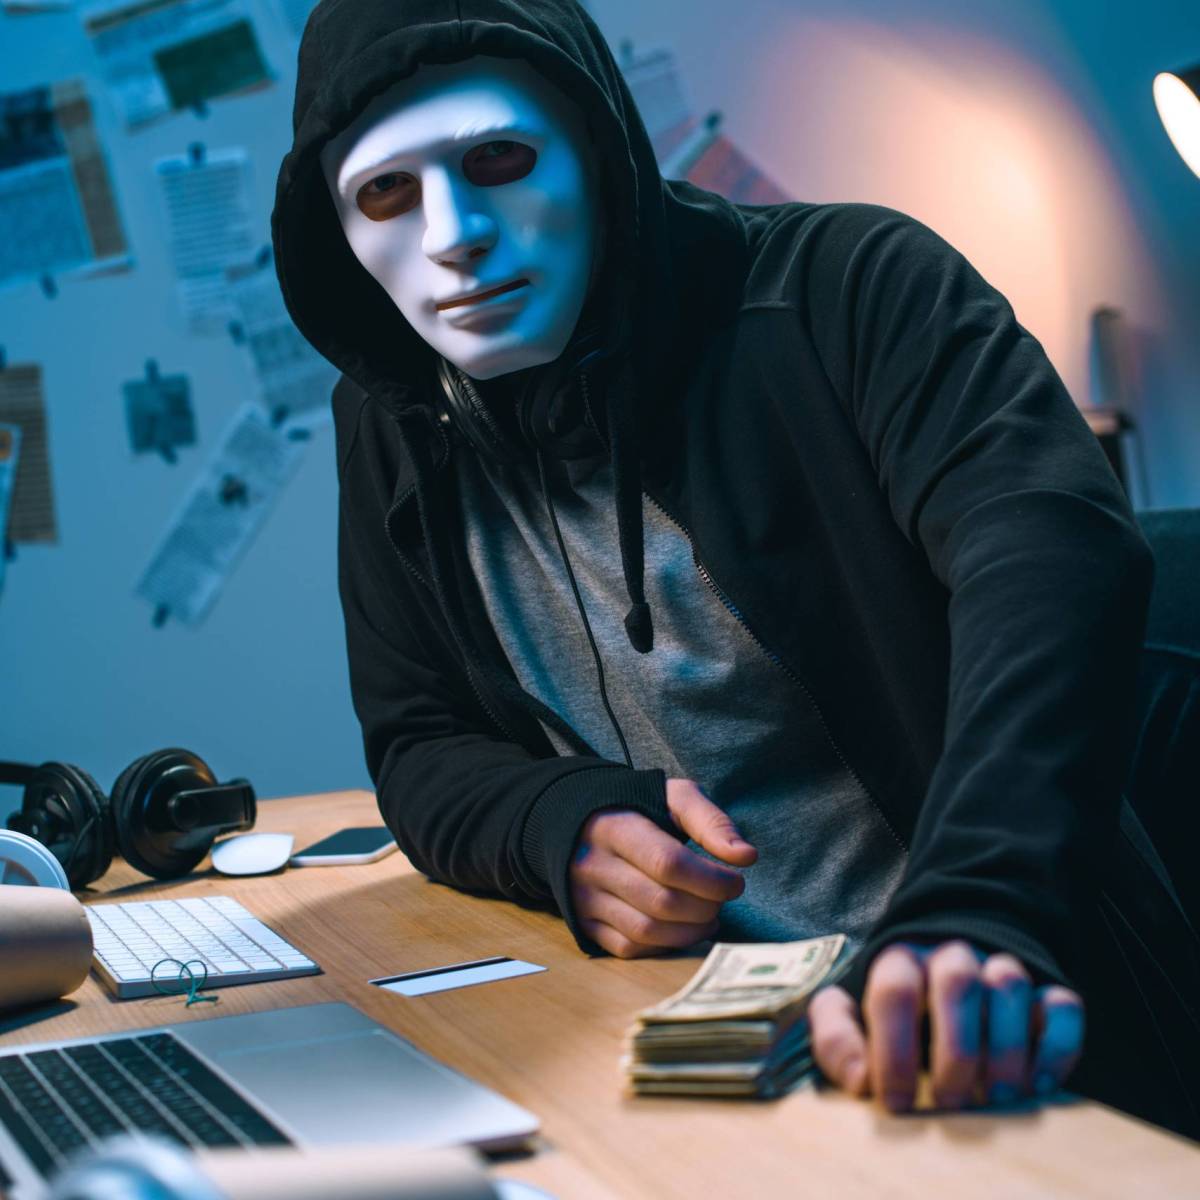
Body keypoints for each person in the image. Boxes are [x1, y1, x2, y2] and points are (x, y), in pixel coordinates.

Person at [273, 0, 1200, 1140]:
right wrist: (561, 825)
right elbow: (417, 744)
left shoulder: (851, 287)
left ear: (599, 150)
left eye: (499, 160)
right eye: (386, 192)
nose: (454, 234)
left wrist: (975, 908)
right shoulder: (391, 423)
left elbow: (1053, 558)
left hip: (973, 1020)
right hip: (669, 1035)